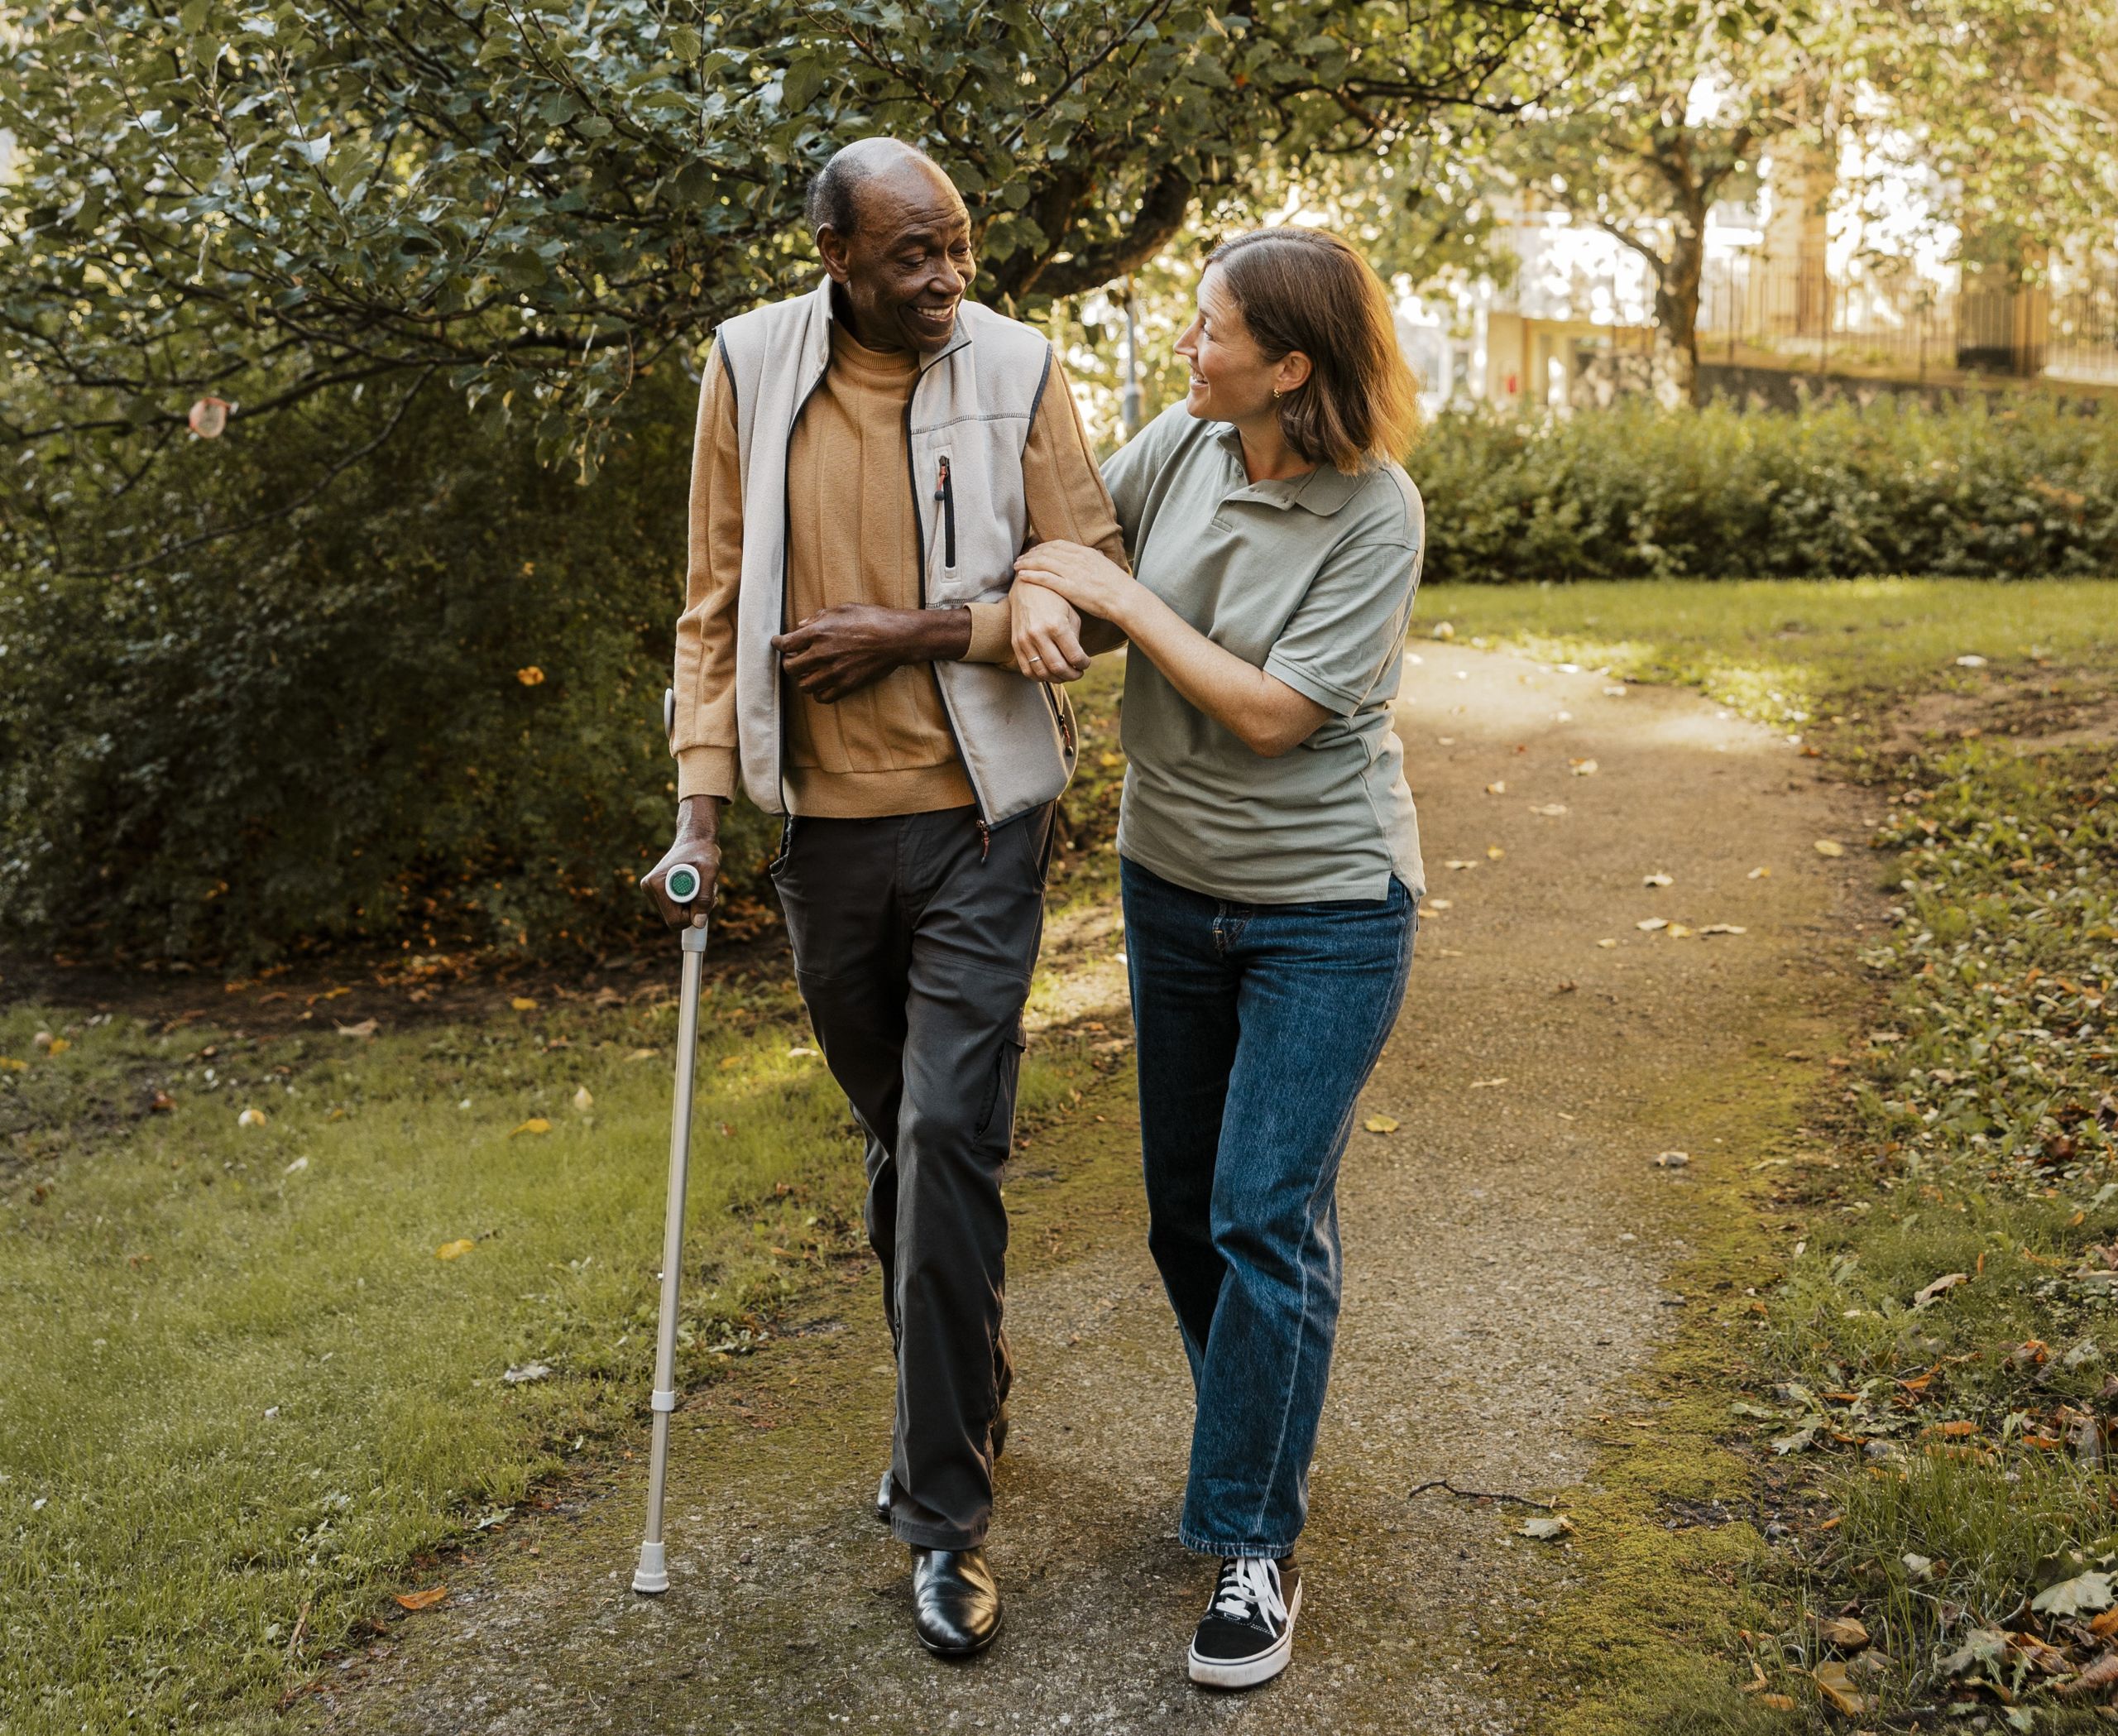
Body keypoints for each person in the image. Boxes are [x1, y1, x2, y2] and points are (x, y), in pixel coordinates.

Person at [644, 137, 1127, 1659]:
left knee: (941, 1133)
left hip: (984, 820)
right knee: (899, 1142)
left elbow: (1090, 569)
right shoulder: (748, 363)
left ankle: (944, 1515)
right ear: (836, 257)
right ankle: (966, 1383)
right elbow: (717, 598)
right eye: (911, 256)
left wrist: (933, 628)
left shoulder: (1021, 364)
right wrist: (699, 810)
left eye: (960, 247)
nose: (946, 280)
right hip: (828, 842)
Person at [1007, 226, 1426, 1690]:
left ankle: (1255, 1537)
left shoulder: (1376, 513)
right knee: (1185, 1216)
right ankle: (1260, 1432)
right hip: (1173, 891)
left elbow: (1269, 714)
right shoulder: (1182, 447)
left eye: (1210, 331)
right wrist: (1054, 593)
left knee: (1263, 1210)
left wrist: (1116, 603)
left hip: (1328, 906)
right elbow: (1061, 545)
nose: (1188, 349)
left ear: (1289, 366)